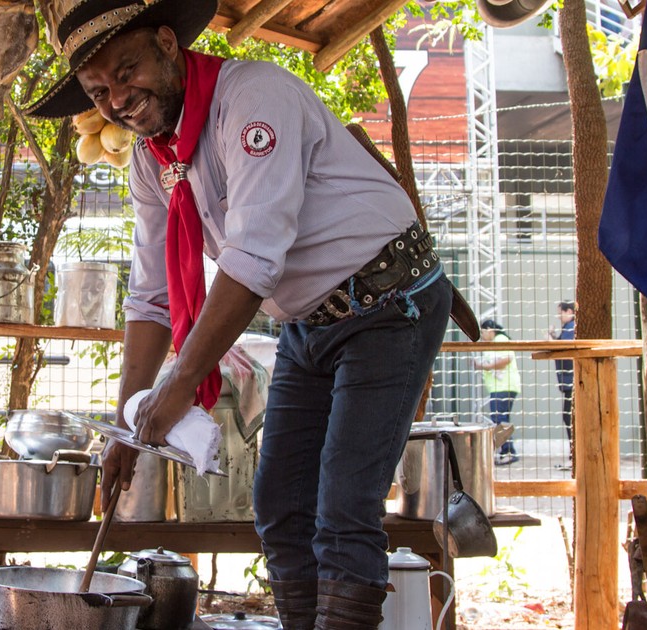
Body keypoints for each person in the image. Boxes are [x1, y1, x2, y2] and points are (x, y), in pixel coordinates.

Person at [26, 2, 459, 628]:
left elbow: (253, 259)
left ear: (168, 44)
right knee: (281, 510)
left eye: (128, 70)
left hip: (388, 304)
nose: (119, 99)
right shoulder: (153, 158)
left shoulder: (254, 99)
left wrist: (176, 387)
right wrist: (128, 425)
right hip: (309, 324)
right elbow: (149, 296)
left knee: (342, 511)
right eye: (100, 91)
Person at [474, 319, 521, 465]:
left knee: (500, 420)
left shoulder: (500, 339)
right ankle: (506, 451)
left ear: (489, 330)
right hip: (500, 387)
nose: (482, 336)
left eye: (482, 332)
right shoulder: (496, 341)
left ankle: (508, 452)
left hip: (503, 387)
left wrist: (483, 366)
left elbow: (505, 359)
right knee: (500, 419)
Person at [547, 300, 577, 470]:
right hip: (568, 382)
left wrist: (551, 339)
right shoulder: (567, 329)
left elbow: (562, 351)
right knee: (568, 417)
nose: (559, 317)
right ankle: (573, 455)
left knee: (569, 417)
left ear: (568, 311)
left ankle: (574, 456)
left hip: (570, 381)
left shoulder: (571, 327)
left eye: (560, 313)